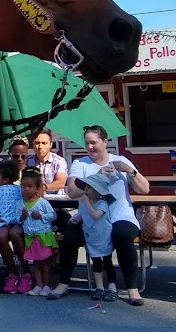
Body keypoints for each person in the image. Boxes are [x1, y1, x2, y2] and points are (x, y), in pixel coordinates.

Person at [47, 125, 150, 305]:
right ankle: (63, 284)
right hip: (91, 217)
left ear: (105, 141)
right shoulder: (81, 164)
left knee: (123, 235)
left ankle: (132, 289)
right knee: (70, 237)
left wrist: (131, 171)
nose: (90, 147)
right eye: (87, 143)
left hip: (120, 215)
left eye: (94, 142)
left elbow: (144, 189)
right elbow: (72, 192)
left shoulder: (120, 160)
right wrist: (97, 177)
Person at [0, 159, 31, 294]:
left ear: (6, 179)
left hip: (17, 220)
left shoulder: (20, 189)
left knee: (15, 234)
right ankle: (13, 271)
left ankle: (26, 271)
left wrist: (22, 216)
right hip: (3, 220)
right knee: (0, 235)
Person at [78, 172, 119, 302]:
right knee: (95, 262)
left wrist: (87, 203)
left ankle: (112, 287)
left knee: (107, 261)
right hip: (91, 237)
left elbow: (95, 215)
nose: (86, 190)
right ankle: (99, 287)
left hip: (103, 236)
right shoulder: (86, 203)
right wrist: (76, 218)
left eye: (90, 188)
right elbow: (82, 214)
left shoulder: (102, 203)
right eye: (86, 187)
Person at [19, 168, 57, 296]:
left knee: (45, 262)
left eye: (30, 186)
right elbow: (17, 219)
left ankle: (47, 286)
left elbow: (53, 216)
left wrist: (40, 215)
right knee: (35, 262)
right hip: (30, 237)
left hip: (43, 236)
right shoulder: (20, 203)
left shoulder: (42, 203)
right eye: (23, 186)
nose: (26, 189)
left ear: (37, 188)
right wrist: (22, 217)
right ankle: (38, 285)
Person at [27, 128, 68, 197]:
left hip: (56, 203)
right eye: (37, 143)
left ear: (50, 144)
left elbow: (60, 183)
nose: (40, 147)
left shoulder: (59, 161)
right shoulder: (27, 162)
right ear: (33, 144)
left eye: (44, 143)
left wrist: (42, 187)